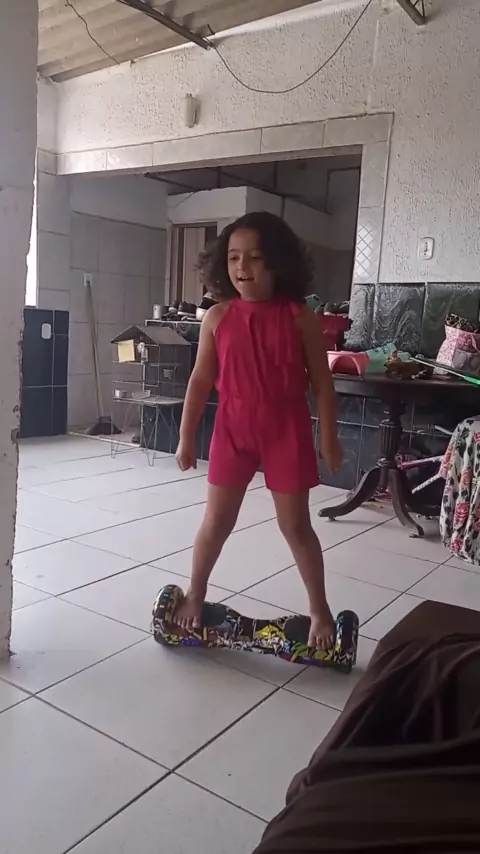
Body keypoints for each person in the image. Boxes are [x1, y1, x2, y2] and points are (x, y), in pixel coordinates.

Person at [173, 211, 342, 649]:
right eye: (233, 257)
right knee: (216, 521)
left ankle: (319, 610)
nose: (242, 267)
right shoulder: (216, 318)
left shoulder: (301, 318)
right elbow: (200, 380)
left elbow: (322, 384)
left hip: (287, 430)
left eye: (254, 257)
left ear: (277, 262)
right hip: (232, 430)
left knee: (295, 526)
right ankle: (196, 593)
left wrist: (328, 437)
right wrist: (186, 436)